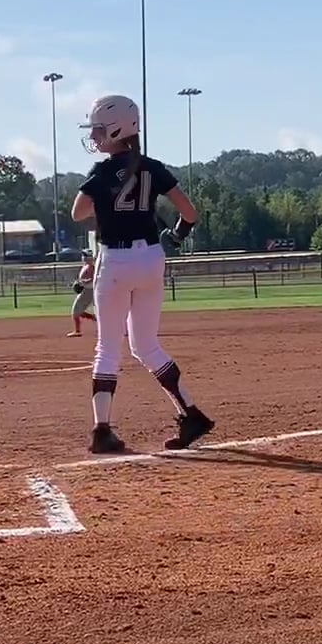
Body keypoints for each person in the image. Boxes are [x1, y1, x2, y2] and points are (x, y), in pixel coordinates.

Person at [70, 95, 215, 455]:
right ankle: (191, 414)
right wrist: (176, 236)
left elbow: (77, 213)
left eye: (99, 130)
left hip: (116, 260)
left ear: (116, 129)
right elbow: (190, 213)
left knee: (108, 348)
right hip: (151, 258)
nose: (95, 136)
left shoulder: (102, 171)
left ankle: (102, 430)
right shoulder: (152, 167)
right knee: (146, 345)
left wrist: (106, 203)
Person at [67, 252, 96, 337]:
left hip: (88, 290)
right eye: (83, 256)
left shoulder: (91, 267)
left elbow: (92, 279)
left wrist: (82, 282)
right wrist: (77, 282)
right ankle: (94, 318)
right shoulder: (85, 266)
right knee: (78, 311)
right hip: (86, 290)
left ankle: (77, 331)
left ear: (90, 258)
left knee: (75, 311)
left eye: (86, 256)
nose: (83, 257)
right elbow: (83, 279)